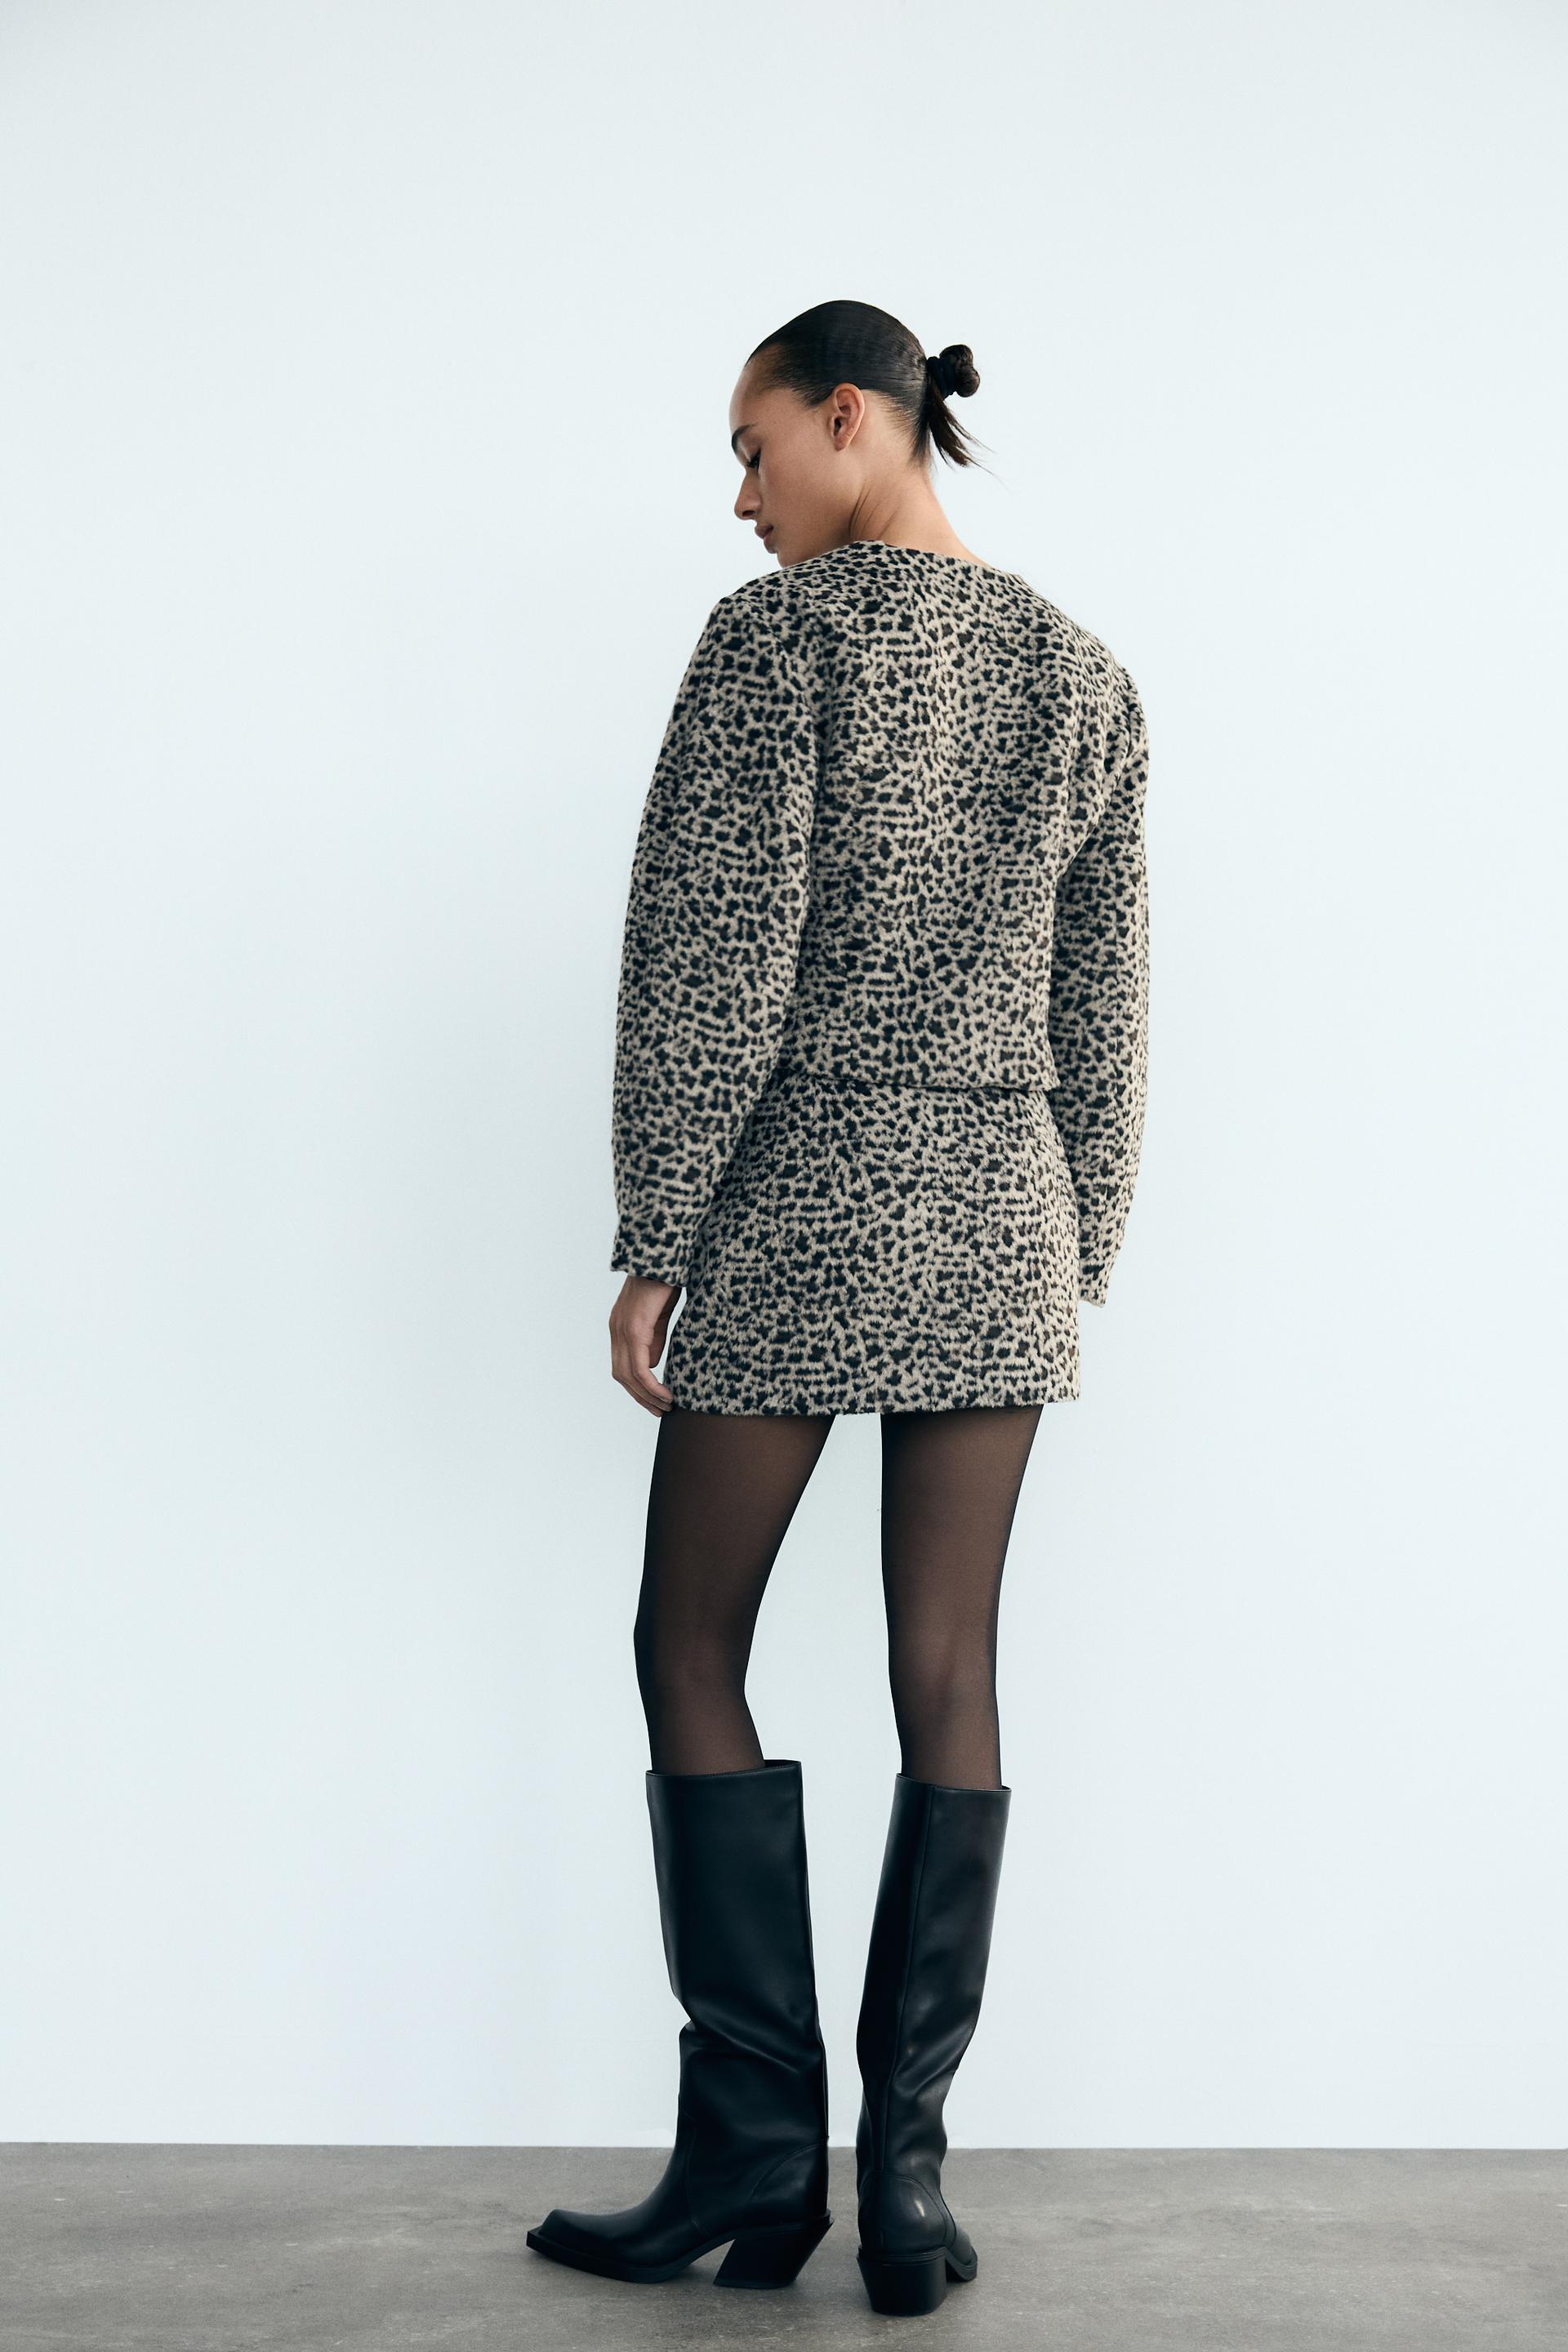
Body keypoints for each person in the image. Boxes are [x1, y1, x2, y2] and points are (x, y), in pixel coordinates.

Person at [527, 298, 1152, 2318]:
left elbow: (711, 958)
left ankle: (746, 2149)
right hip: (999, 1214)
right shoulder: (1083, 672)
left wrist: (658, 1232)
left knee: (688, 1638)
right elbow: (1104, 1011)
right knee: (948, 1667)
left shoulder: (775, 645)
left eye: (755, 448)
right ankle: (904, 2185)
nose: (741, 498)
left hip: (802, 1199)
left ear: (854, 420)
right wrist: (1076, 1250)